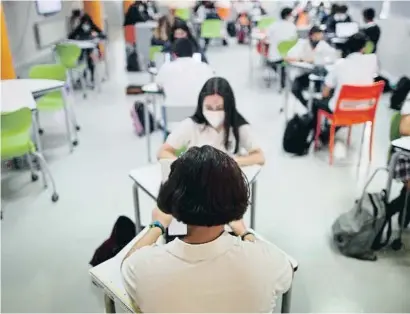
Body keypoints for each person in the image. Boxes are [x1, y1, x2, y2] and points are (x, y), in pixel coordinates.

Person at [122, 145, 292, 313]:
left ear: (172, 197)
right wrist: (245, 233)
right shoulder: (266, 263)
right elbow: (286, 274)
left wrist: (157, 225)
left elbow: (127, 266)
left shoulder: (145, 268)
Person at [157, 77, 265, 166]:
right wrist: (184, 165)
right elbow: (163, 152)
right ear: (201, 105)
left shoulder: (238, 126)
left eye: (219, 108)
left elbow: (259, 157)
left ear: (228, 107)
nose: (214, 112)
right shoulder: (191, 125)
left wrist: (231, 163)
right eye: (208, 107)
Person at [312, 32, 377, 145]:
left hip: (343, 110)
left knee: (318, 103)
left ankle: (318, 135)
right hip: (365, 110)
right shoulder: (372, 60)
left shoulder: (340, 64)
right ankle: (328, 133)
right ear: (364, 48)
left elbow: (325, 92)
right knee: (344, 101)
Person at [156, 38, 214, 109]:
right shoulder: (205, 67)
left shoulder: (165, 68)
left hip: (172, 112)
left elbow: (158, 85)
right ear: (193, 53)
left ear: (174, 54)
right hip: (199, 111)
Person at [286, 26, 336, 108]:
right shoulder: (301, 43)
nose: (318, 37)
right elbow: (288, 57)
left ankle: (317, 108)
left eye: (320, 35)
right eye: (316, 35)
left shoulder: (323, 45)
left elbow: (333, 57)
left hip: (319, 75)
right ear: (311, 35)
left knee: (328, 90)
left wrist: (317, 60)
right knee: (295, 88)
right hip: (304, 74)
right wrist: (302, 59)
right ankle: (307, 106)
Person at [68, 9, 105, 87]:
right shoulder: (80, 27)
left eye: (87, 22)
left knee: (89, 61)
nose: (86, 23)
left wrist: (97, 36)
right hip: (82, 47)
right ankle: (83, 77)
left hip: (89, 47)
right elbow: (72, 35)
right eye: (84, 22)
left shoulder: (91, 25)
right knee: (81, 61)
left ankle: (91, 78)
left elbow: (100, 32)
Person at [265, 7, 297, 90]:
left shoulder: (274, 25)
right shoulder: (293, 27)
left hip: (274, 58)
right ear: (288, 15)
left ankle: (282, 75)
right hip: (288, 58)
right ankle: (284, 77)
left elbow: (266, 38)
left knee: (271, 60)